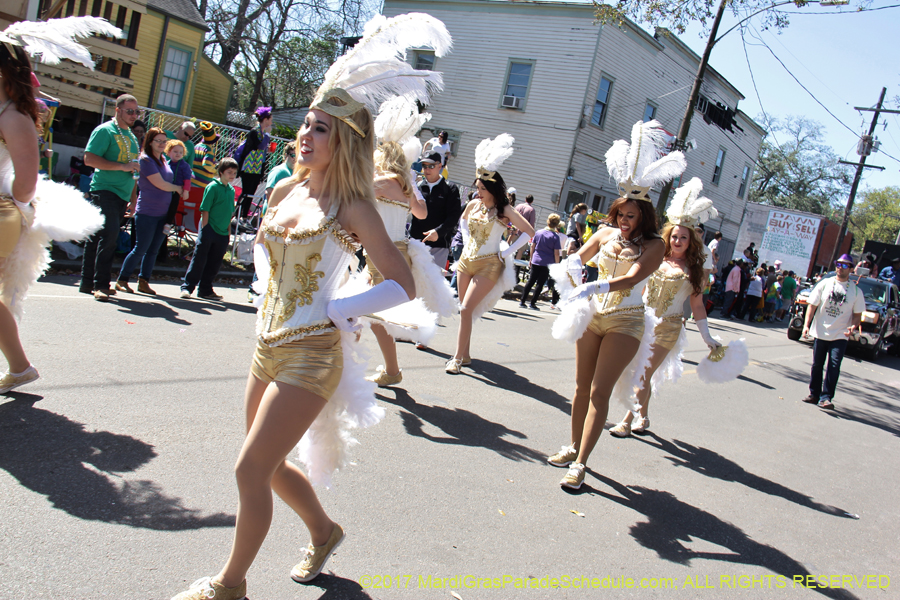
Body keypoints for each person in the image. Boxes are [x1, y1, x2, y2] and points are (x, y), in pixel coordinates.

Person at [169, 11, 445, 599]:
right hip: (266, 345)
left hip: (312, 354)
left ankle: (229, 585)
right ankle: (324, 531)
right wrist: (259, 274)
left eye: (321, 129)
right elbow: (266, 251)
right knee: (266, 465)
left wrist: (342, 310)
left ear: (342, 140)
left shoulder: (353, 205)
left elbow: (402, 284)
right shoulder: (285, 188)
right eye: (307, 125)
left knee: (249, 469)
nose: (306, 135)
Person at [546, 119, 684, 490]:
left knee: (599, 391)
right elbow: (577, 258)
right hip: (593, 317)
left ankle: (581, 463)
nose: (624, 221)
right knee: (580, 387)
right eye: (621, 214)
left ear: (644, 216)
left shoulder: (655, 245)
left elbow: (632, 278)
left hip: (626, 321)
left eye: (631, 216)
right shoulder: (606, 232)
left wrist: (594, 284)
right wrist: (573, 270)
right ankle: (572, 446)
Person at [1, 16, 110, 393]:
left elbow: (26, 183)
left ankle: (20, 367)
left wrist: (12, 206)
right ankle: (20, 367)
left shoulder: (13, 118)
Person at [364, 96, 455, 387]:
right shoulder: (402, 186)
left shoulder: (383, 183)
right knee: (372, 315)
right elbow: (421, 212)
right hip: (394, 251)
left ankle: (390, 370)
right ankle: (389, 369)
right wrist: (411, 183)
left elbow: (352, 196)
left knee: (374, 315)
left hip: (383, 253)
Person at [609, 203, 721, 437]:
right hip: (641, 321)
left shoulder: (695, 270)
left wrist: (707, 336)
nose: (677, 241)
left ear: (691, 242)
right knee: (634, 371)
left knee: (643, 373)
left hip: (668, 327)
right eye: (674, 236)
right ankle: (644, 417)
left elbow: (697, 305)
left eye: (683, 237)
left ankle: (626, 421)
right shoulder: (656, 257)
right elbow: (639, 287)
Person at [445, 134, 534, 374]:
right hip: (465, 262)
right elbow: (463, 222)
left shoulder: (505, 210)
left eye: (483, 189)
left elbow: (529, 232)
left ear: (493, 188)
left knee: (466, 309)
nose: (479, 192)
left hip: (489, 265)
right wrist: (465, 241)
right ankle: (465, 355)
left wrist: (508, 252)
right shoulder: (473, 205)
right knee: (465, 310)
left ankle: (456, 359)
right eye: (477, 188)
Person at [80, 93, 141, 302]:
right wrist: (121, 167)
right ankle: (101, 285)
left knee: (97, 237)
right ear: (117, 110)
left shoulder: (131, 136)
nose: (134, 115)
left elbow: (134, 170)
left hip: (123, 194)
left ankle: (87, 282)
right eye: (129, 111)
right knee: (110, 236)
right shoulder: (105, 130)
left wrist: (134, 198)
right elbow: (89, 159)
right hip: (104, 190)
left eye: (136, 111)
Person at [115, 127, 184, 295]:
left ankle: (144, 281)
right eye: (158, 141)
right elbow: (160, 183)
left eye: (164, 141)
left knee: (153, 250)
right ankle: (122, 279)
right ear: (150, 142)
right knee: (141, 248)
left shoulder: (163, 159)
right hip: (147, 212)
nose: (161, 144)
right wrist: (178, 188)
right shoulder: (145, 160)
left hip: (163, 213)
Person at [801, 255, 864, 410]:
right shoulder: (825, 283)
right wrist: (806, 325)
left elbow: (857, 315)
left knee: (834, 366)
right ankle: (814, 394)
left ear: (851, 269)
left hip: (840, 334)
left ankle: (826, 398)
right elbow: (812, 305)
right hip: (821, 331)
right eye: (838, 264)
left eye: (845, 265)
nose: (840, 267)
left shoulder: (856, 291)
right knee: (817, 364)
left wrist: (853, 327)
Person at [179, 158, 238, 300]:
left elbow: (229, 213)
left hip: (223, 232)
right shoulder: (212, 187)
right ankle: (187, 287)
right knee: (199, 259)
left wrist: (228, 232)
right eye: (229, 172)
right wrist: (205, 229)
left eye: (234, 173)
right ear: (221, 172)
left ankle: (205, 290)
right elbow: (205, 209)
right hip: (210, 228)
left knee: (214, 263)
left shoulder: (231, 190)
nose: (232, 175)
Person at [409, 151, 461, 270]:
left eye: (431, 166)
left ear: (440, 166)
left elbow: (454, 216)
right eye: (424, 166)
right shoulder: (417, 187)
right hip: (415, 243)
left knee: (433, 280)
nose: (427, 169)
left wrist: (438, 232)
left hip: (438, 246)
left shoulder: (450, 188)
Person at [235, 106, 273, 221]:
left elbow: (260, 149)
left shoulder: (262, 133)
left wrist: (268, 149)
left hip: (256, 168)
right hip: (249, 168)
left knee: (251, 192)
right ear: (265, 119)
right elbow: (259, 146)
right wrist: (267, 135)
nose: (271, 122)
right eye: (270, 119)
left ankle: (244, 216)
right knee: (246, 192)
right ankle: (238, 215)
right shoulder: (254, 132)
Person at [519, 213, 561, 310]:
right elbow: (556, 253)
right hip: (547, 262)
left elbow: (532, 246)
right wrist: (557, 265)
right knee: (540, 283)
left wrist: (531, 258)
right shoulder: (555, 237)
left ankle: (522, 301)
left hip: (536, 259)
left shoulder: (539, 232)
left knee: (531, 281)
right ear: (557, 224)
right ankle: (532, 303)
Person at [162, 139, 192, 233]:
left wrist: (186, 191)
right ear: (168, 152)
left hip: (176, 191)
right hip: (166, 189)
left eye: (180, 152)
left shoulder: (184, 166)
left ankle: (168, 224)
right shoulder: (166, 164)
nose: (178, 154)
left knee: (173, 206)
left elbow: (187, 179)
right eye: (175, 151)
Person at [191, 122, 220, 190]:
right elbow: (206, 164)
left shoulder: (197, 146)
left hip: (192, 179)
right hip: (202, 183)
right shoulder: (209, 150)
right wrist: (215, 171)